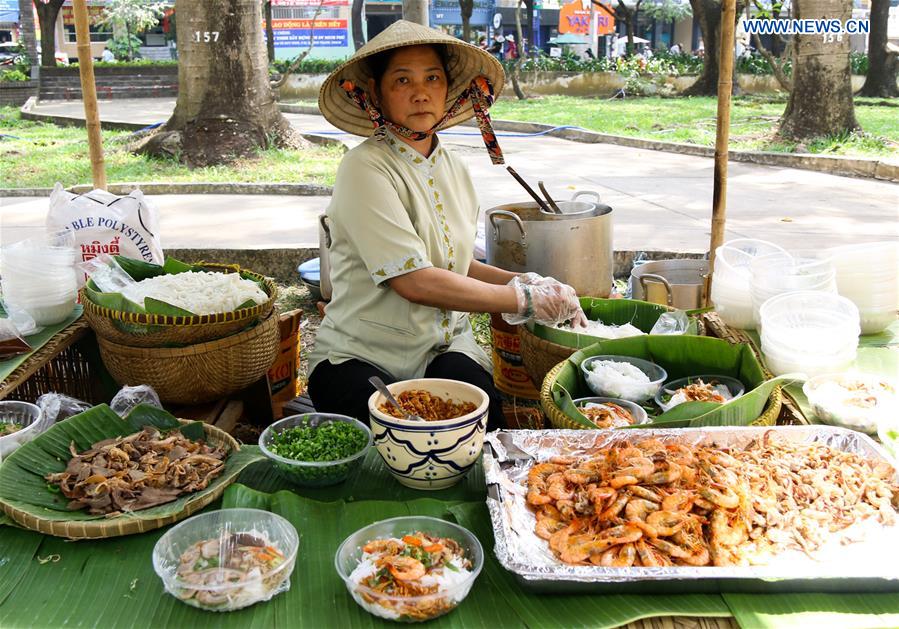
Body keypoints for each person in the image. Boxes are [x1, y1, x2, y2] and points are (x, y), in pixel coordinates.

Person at [309, 20, 587, 429]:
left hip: (443, 347)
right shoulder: (364, 166)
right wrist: (521, 301)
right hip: (359, 354)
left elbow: (454, 264)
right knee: (397, 435)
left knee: (483, 420)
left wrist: (526, 281)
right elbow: (414, 280)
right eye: (402, 79)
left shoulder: (454, 167)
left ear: (447, 89)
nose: (421, 92)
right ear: (376, 93)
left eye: (432, 78)